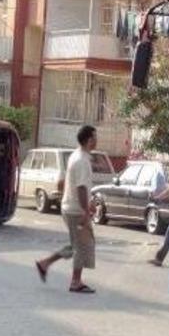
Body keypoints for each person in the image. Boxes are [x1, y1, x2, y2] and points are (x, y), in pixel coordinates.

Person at [35, 125, 98, 294]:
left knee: (75, 244)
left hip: (71, 207)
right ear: (89, 140)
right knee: (83, 245)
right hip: (76, 211)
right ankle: (75, 282)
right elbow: (81, 188)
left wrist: (88, 205)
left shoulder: (76, 156)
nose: (97, 140)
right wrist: (86, 210)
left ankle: (45, 263)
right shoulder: (82, 160)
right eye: (95, 137)